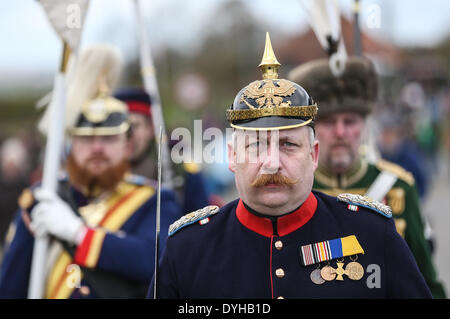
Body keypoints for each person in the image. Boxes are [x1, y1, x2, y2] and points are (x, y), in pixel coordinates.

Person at [149, 34, 431, 299]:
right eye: (256, 145)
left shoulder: (372, 232)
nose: (271, 163)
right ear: (232, 156)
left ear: (314, 154)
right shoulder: (187, 248)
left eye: (288, 145)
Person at [0, 45, 181, 299]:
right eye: (87, 139)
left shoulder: (155, 200)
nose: (97, 148)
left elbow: (155, 261)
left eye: (108, 139)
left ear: (127, 144)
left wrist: (76, 232)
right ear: (70, 144)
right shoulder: (43, 198)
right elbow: (11, 285)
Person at [288, 56, 446, 299]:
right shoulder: (291, 189)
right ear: (312, 130)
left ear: (364, 126)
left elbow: (425, 281)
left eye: (350, 121)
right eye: (329, 122)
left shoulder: (398, 186)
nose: (341, 132)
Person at [114, 87, 211, 214]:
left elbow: (203, 227)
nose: (126, 134)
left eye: (134, 126)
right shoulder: (100, 171)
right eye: (118, 126)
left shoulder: (182, 173)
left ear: (150, 128)